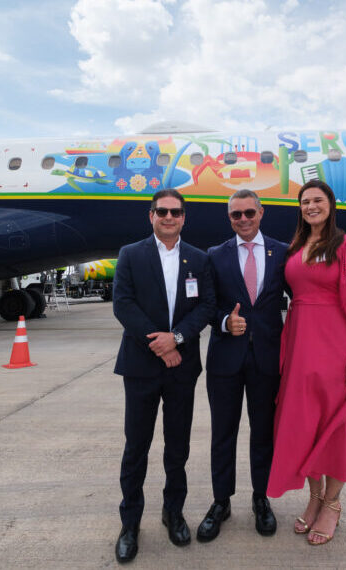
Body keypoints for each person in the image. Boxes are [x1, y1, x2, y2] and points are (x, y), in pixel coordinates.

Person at [266, 179, 346, 546]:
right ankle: (313, 497)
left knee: (335, 424)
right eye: (305, 202)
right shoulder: (296, 246)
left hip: (335, 344)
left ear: (330, 204)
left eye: (317, 200)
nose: (311, 206)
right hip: (298, 343)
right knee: (304, 423)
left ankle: (333, 503)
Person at [111, 188, 215, 563]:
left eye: (175, 212)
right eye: (162, 211)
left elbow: (206, 305)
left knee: (177, 447)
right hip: (141, 365)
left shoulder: (198, 259)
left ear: (184, 218)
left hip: (181, 368)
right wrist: (159, 342)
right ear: (150, 215)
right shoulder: (131, 254)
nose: (169, 217)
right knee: (135, 447)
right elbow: (122, 303)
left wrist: (179, 339)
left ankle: (174, 512)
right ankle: (130, 522)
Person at [197, 189, 289, 542]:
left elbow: (307, 298)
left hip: (267, 358)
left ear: (261, 213)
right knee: (223, 434)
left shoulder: (281, 252)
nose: (244, 219)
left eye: (250, 212)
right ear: (229, 218)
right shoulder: (214, 255)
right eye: (236, 215)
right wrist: (224, 322)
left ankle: (261, 499)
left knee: (263, 434)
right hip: (225, 359)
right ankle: (221, 502)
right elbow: (207, 305)